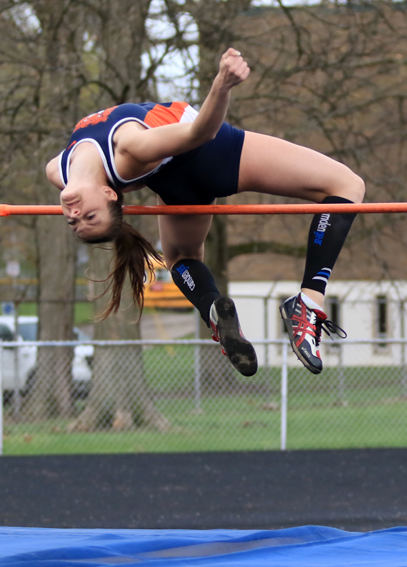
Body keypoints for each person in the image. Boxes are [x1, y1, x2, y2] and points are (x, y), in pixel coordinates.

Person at [45, 48, 362, 378]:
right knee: (347, 185)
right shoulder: (129, 148)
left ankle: (211, 306)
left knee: (181, 258)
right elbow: (201, 133)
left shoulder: (57, 171)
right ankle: (308, 303)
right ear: (110, 193)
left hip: (176, 183)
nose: (75, 213)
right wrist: (222, 84)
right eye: (89, 217)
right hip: (215, 153)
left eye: (76, 220)